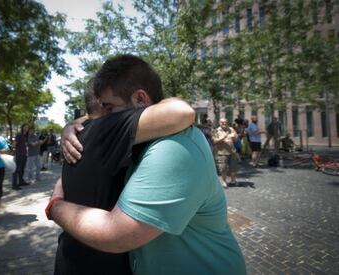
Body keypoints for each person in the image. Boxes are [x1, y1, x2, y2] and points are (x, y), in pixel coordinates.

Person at [48, 55, 246, 274]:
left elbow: (116, 235)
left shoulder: (174, 147)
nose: (102, 121)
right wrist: (71, 126)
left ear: (141, 99)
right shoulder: (138, 139)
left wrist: (55, 206)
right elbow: (92, 118)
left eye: (109, 108)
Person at [51, 76, 195, 274]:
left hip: (69, 256)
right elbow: (182, 112)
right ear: (104, 105)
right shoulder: (108, 130)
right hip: (105, 265)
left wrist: (69, 125)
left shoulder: (79, 134)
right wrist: (54, 207)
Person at [213, 118, 239, 188]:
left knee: (233, 167)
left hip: (232, 152)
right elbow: (215, 141)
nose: (224, 123)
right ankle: (224, 181)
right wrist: (224, 137)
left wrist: (235, 137)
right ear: (219, 123)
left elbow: (236, 138)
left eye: (226, 122)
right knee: (223, 168)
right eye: (222, 122)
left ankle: (233, 180)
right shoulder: (216, 131)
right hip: (222, 153)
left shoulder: (231, 129)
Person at [12, 124, 30, 190]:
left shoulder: (26, 136)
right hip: (19, 154)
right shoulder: (19, 135)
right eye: (25, 127)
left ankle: (21, 181)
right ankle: (14, 185)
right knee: (16, 169)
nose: (26, 128)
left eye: (27, 127)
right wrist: (15, 153)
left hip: (24, 154)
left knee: (22, 169)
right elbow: (14, 144)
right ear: (22, 128)